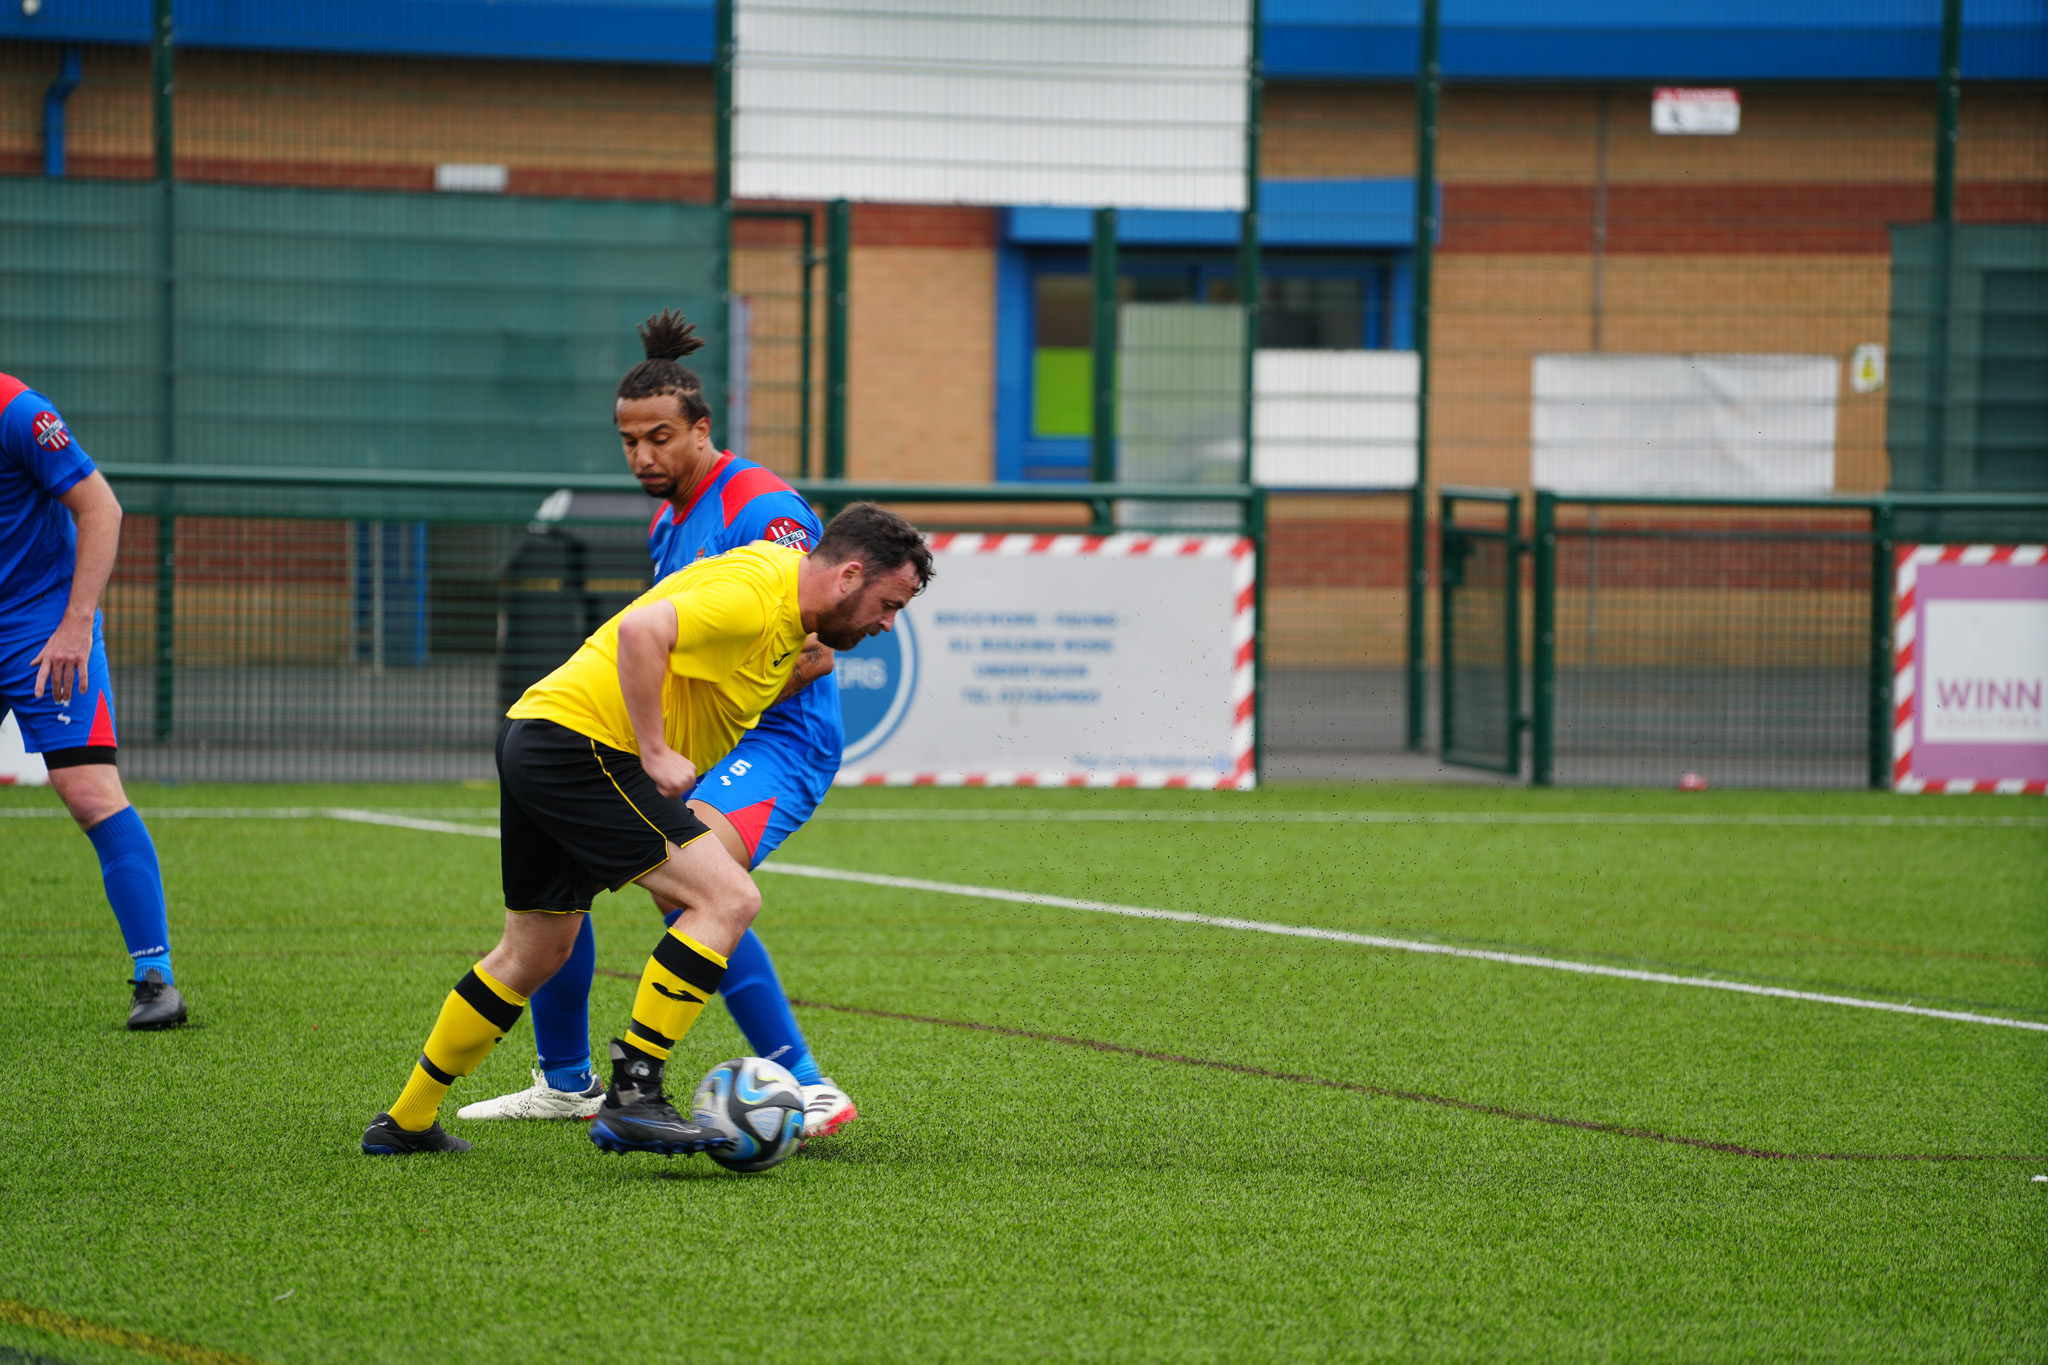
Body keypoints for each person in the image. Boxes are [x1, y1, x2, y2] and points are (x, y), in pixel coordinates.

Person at [361, 502, 931, 1155]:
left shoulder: (781, 594)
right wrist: (656, 753)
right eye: (889, 604)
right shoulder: (755, 598)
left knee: (532, 952)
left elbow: (728, 669)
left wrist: (799, 666)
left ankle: (405, 1121)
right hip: (585, 749)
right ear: (849, 575)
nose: (887, 623)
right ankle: (634, 1098)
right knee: (727, 897)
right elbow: (641, 631)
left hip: (538, 737)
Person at [458, 310, 860, 1137]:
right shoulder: (668, 517)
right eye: (630, 441)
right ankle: (566, 1082)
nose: (643, 456)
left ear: (702, 429)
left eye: (661, 438)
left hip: (777, 740)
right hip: (693, 738)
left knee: (697, 888)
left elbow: (816, 648)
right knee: (564, 877)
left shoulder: (763, 507)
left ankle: (806, 1082)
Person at [0, 373, 185, 1030]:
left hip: (43, 625)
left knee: (90, 793)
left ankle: (156, 977)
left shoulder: (18, 410)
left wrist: (77, 624)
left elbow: (102, 508)